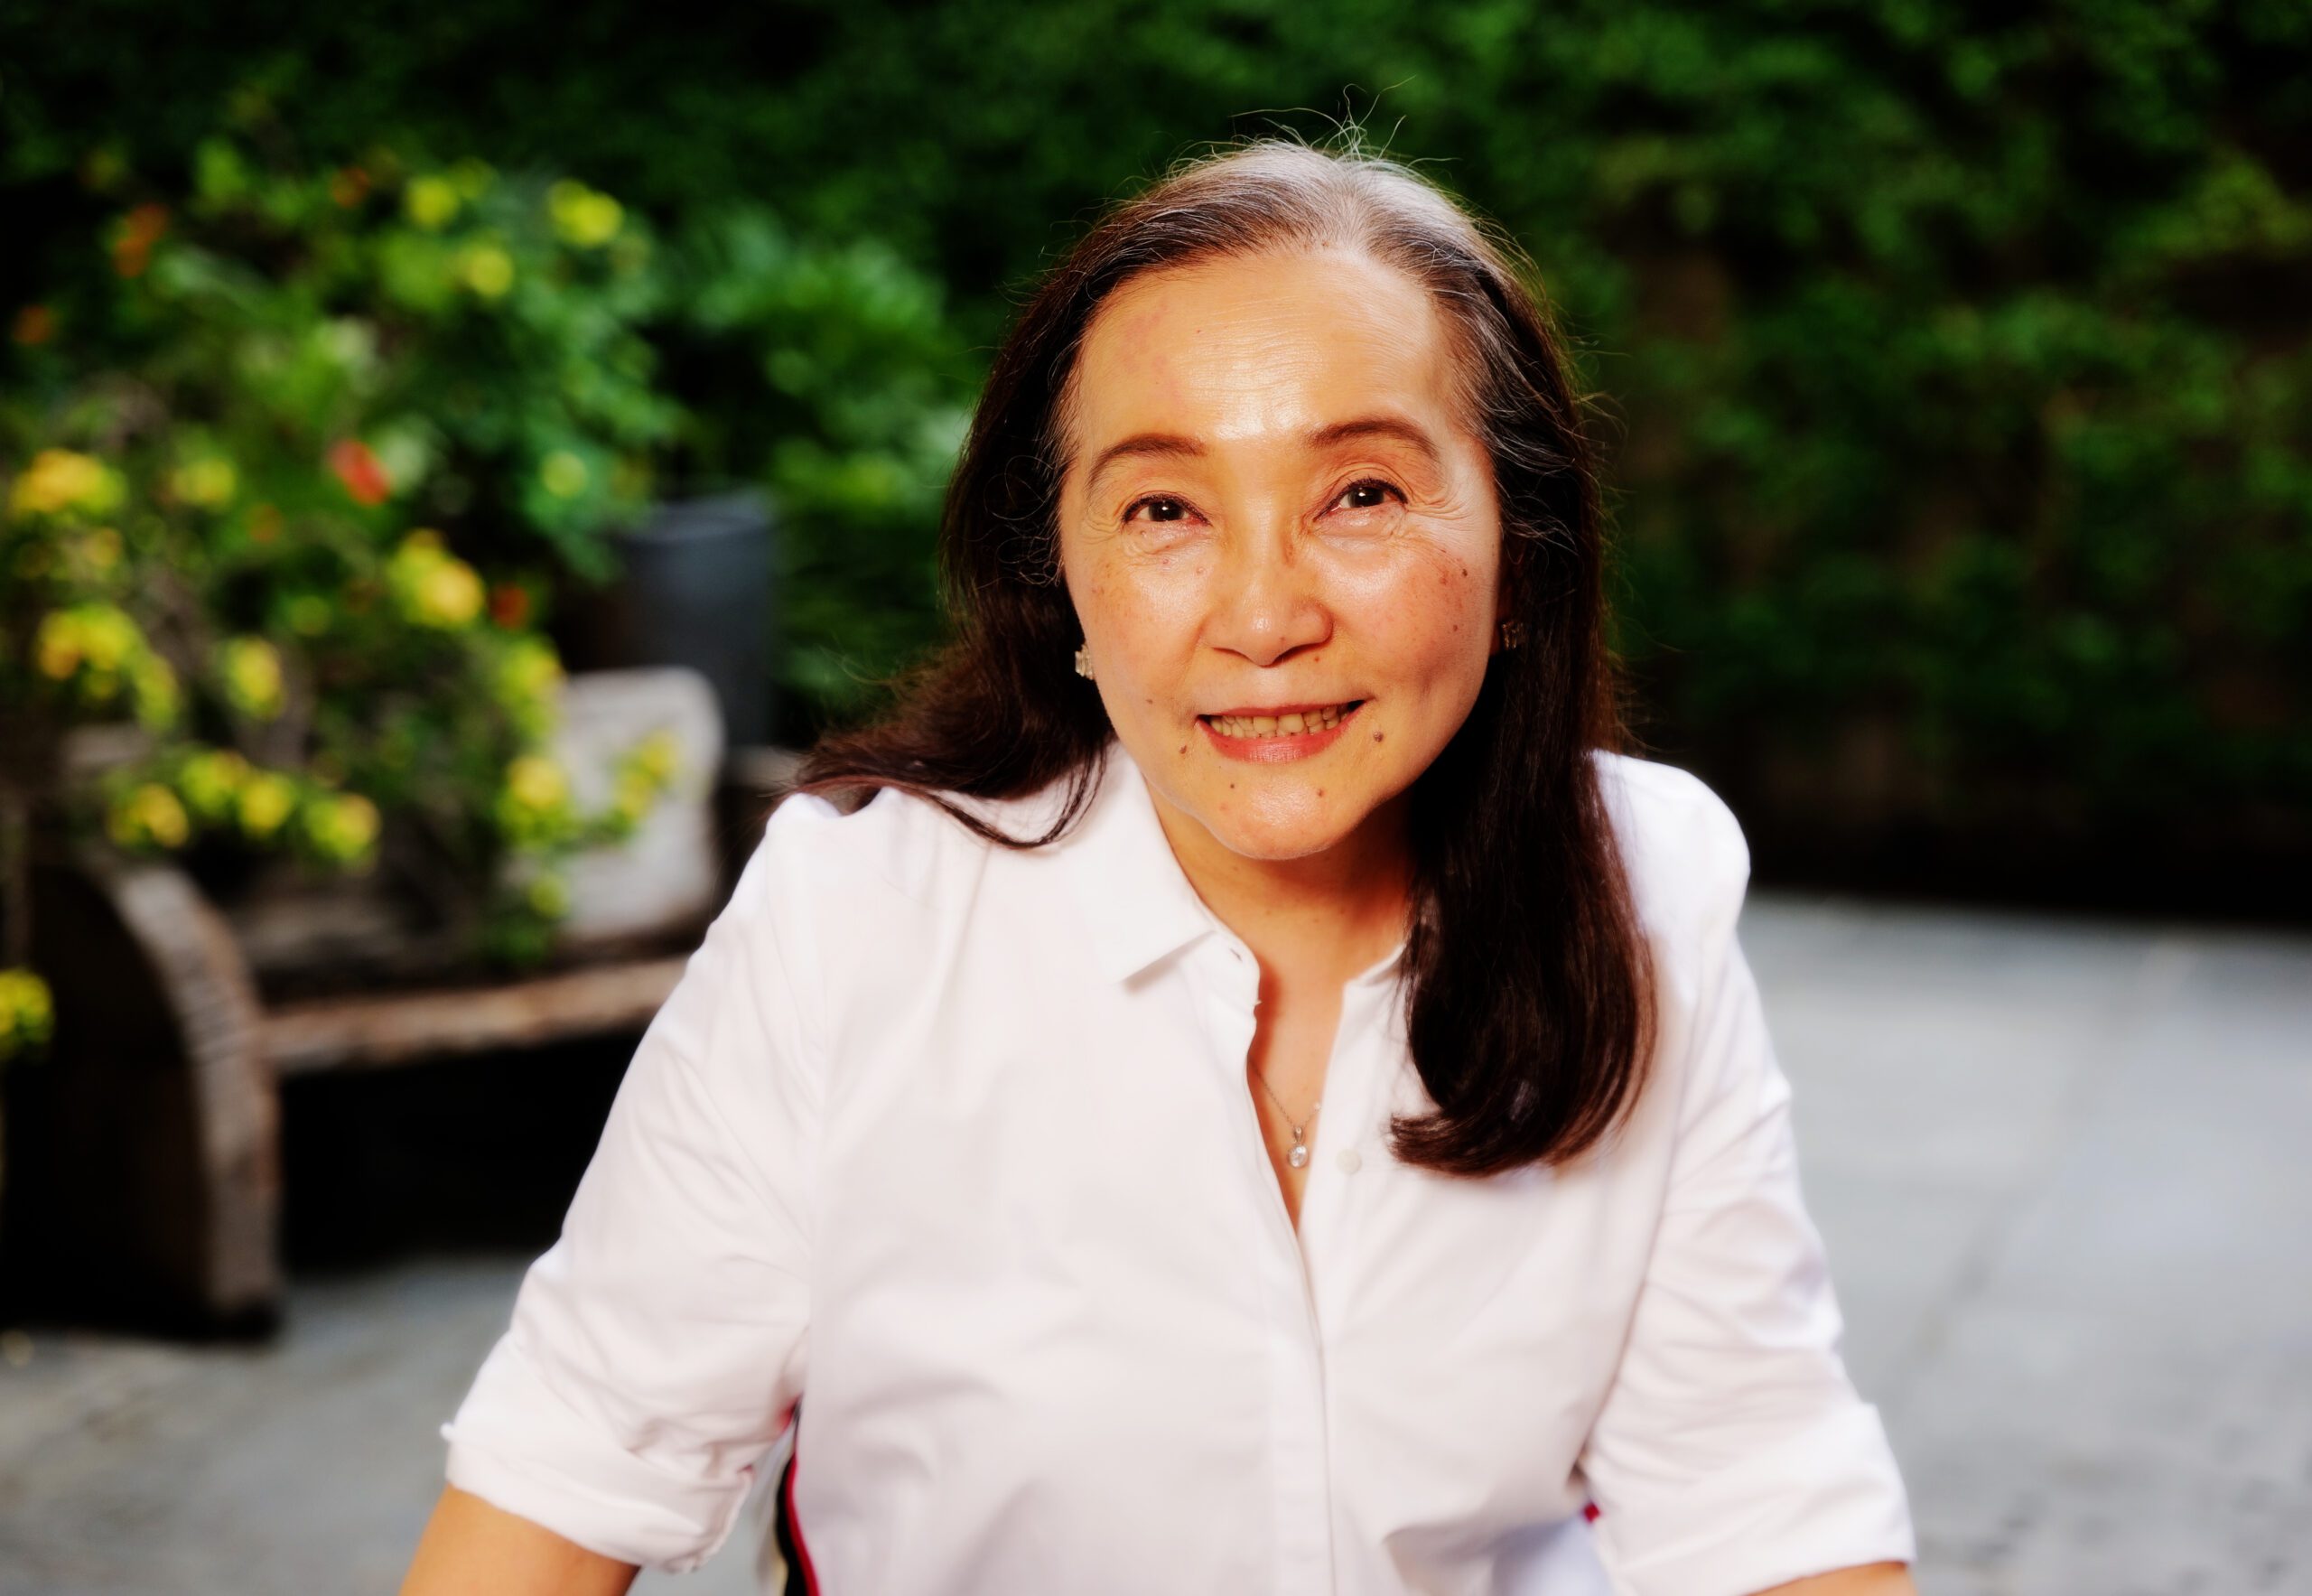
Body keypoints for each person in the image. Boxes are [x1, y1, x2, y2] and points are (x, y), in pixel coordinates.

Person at [399, 136, 1916, 1596]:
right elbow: (569, 1471)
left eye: (1363, 495)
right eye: (1165, 510)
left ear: (1525, 554)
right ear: (1059, 578)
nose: (1262, 618)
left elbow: (1757, 1500)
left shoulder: (1643, 889)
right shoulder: (861, 918)